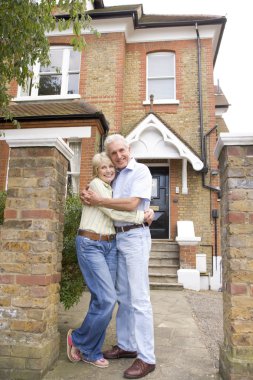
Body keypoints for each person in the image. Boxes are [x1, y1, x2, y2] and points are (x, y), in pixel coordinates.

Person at [81, 134, 156, 379]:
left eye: (122, 150)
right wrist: (90, 194)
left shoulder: (140, 170)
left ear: (129, 149)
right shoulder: (116, 174)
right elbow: (102, 196)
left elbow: (132, 204)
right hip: (117, 239)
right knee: (123, 297)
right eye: (114, 153)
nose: (119, 156)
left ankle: (146, 358)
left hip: (135, 238)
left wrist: (100, 200)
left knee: (139, 299)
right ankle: (126, 345)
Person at [67, 152, 147, 369]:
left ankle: (90, 349)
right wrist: (143, 216)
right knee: (108, 299)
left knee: (101, 300)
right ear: (96, 171)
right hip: (91, 244)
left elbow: (115, 206)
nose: (108, 170)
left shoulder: (111, 189)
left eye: (111, 167)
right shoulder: (94, 185)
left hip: (110, 245)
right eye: (103, 167)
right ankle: (79, 339)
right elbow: (112, 211)